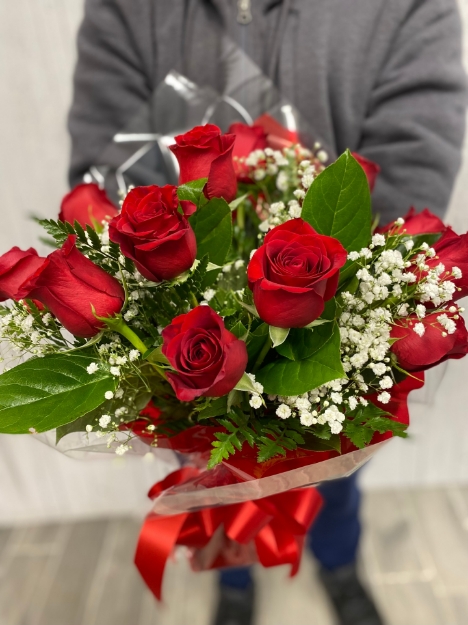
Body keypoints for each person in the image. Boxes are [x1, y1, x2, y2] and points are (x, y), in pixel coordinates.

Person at [67, 1, 467, 624]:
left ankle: (340, 565)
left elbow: (419, 144)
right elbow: (105, 147)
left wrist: (354, 287)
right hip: (180, 344)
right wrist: (157, 296)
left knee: (334, 482)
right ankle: (234, 586)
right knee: (213, 479)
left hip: (335, 343)